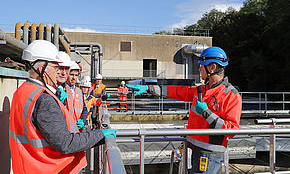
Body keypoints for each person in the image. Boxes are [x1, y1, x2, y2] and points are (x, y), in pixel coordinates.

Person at [126, 46, 242, 173]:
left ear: (212, 67)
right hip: (194, 148)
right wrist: (149, 88)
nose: (199, 69)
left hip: (210, 154)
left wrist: (206, 113)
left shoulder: (231, 95)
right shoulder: (202, 90)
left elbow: (232, 130)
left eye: (201, 65)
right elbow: (177, 91)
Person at [9, 40, 117, 173]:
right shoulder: (43, 99)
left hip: (29, 166)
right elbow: (66, 143)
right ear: (42, 69)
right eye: (56, 68)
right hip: (51, 168)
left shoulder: (23, 91)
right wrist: (100, 134)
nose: (59, 72)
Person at [66, 61, 88, 130]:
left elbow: (84, 109)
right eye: (71, 74)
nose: (74, 78)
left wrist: (82, 120)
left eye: (76, 75)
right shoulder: (62, 90)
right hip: (66, 129)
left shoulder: (79, 91)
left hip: (78, 129)